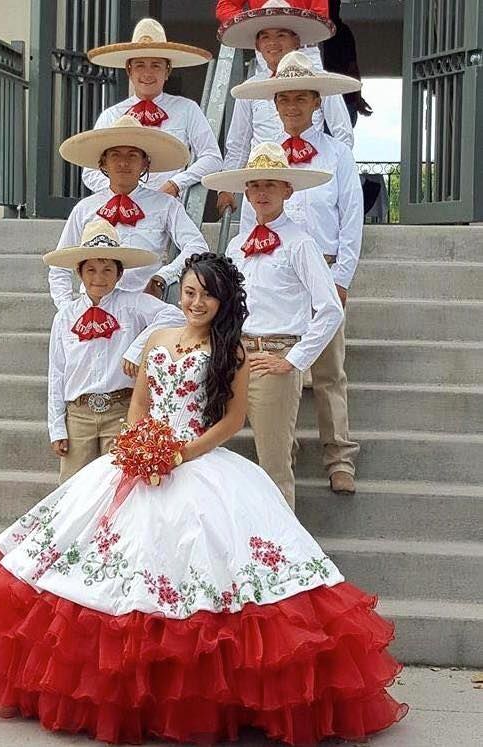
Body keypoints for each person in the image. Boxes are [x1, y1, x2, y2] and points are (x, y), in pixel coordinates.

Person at [0, 251, 407, 745]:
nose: (195, 302)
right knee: (100, 566)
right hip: (140, 456)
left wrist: (179, 454)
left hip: (199, 461)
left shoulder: (230, 352)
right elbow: (141, 403)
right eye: (189, 292)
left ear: (222, 300)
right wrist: (137, 444)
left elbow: (233, 422)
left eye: (206, 295)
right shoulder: (158, 338)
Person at [232, 50, 363, 494]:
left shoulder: (337, 155)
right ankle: (282, 447)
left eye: (301, 98)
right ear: (275, 104)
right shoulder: (261, 159)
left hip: (322, 265)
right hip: (275, 271)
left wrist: (341, 277)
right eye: (284, 99)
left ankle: (338, 455)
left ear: (316, 102)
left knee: (327, 370)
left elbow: (352, 218)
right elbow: (253, 223)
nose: (292, 107)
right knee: (278, 365)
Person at [203, 141, 343, 508]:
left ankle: (284, 559)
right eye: (254, 185)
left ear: (287, 190)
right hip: (234, 357)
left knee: (274, 463)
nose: (262, 192)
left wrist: (294, 360)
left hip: (273, 357)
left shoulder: (300, 244)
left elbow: (330, 309)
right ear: (246, 192)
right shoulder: (236, 246)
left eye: (270, 184)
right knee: (214, 455)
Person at [44, 219, 186, 483]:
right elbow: (57, 373)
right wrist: (56, 427)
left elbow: (176, 316)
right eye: (92, 270)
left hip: (120, 409)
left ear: (119, 273)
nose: (99, 278)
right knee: (74, 490)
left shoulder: (132, 304)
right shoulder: (66, 317)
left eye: (107, 270)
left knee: (117, 483)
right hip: (79, 414)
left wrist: (137, 348)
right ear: (79, 272)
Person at [49, 114, 209, 309]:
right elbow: (59, 267)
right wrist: (67, 309)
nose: (123, 163)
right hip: (94, 308)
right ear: (103, 163)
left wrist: (162, 278)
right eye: (115, 155)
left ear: (145, 163)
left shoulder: (165, 205)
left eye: (132, 155)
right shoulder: (85, 208)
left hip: (143, 304)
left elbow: (198, 246)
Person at [216, 0, 354, 218]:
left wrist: (333, 182)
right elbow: (238, 143)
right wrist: (226, 187)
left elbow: (343, 134)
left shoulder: (317, 81)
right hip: (261, 189)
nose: (273, 43)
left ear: (297, 40)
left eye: (281, 35)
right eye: (265, 37)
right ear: (257, 45)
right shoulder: (250, 88)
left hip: (308, 187)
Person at [83, 18, 222, 196]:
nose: (147, 73)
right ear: (129, 70)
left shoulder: (187, 109)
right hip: (120, 211)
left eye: (156, 65)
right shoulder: (112, 114)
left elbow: (212, 158)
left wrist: (176, 183)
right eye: (140, 65)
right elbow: (90, 171)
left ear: (167, 71)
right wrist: (120, 190)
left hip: (167, 206)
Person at [322, 0, 373, 127]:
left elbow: (352, 67)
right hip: (328, 97)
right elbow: (353, 68)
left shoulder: (342, 32)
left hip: (342, 97)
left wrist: (357, 97)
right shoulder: (334, 31)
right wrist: (357, 97)